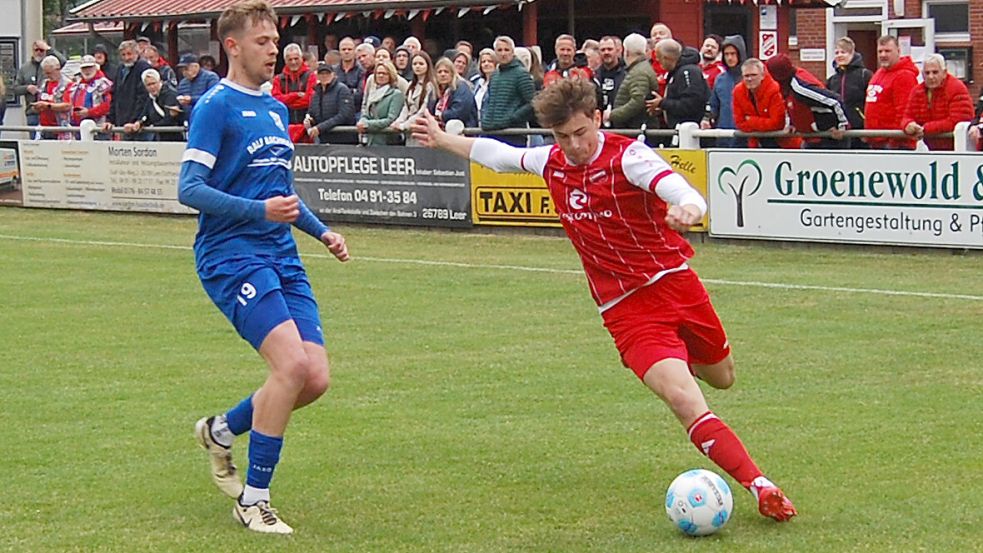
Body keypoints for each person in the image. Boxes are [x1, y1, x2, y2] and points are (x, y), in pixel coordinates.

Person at [411, 76, 797, 524]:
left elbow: (680, 190)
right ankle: (761, 486)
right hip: (625, 309)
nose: (573, 145)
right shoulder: (551, 162)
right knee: (683, 399)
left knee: (722, 377)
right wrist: (443, 139)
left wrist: (690, 209)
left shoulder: (629, 157)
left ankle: (675, 359)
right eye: (562, 137)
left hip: (676, 285)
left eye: (581, 132)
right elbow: (498, 156)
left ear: (597, 119)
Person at [179, 0, 349, 535]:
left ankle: (221, 430)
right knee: (291, 367)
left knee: (314, 379)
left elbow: (282, 195)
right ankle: (253, 500)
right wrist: (258, 212)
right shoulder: (215, 106)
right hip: (231, 255)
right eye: (263, 41)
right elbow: (189, 189)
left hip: (281, 254)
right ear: (232, 46)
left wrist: (322, 232)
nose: (274, 49)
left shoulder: (275, 109)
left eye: (276, 40)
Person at [765, 54, 848, 149]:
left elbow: (835, 100)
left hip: (828, 138)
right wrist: (793, 124)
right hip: (813, 138)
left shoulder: (800, 87)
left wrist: (842, 126)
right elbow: (794, 105)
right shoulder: (788, 85)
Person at [900, 53, 974, 151]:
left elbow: (959, 120)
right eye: (927, 73)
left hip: (957, 148)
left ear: (944, 73)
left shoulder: (957, 88)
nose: (931, 77)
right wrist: (909, 125)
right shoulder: (917, 92)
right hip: (933, 148)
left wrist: (926, 129)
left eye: (935, 72)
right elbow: (907, 116)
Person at [863, 35, 919, 150]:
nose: (883, 55)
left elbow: (905, 112)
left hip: (894, 144)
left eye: (887, 51)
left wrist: (894, 141)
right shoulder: (879, 73)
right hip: (877, 141)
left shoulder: (904, 76)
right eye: (880, 51)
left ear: (898, 51)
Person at [732, 58, 800, 149]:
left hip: (783, 144)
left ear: (762, 75)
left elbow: (777, 124)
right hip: (755, 144)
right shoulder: (738, 91)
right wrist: (764, 122)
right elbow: (739, 123)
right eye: (746, 76)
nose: (750, 79)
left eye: (753, 75)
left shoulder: (774, 89)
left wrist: (750, 120)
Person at [480, 35, 535, 146]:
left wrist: (513, 118)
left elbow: (532, 103)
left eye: (506, 50)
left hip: (513, 134)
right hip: (491, 131)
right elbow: (489, 101)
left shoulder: (521, 74)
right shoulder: (494, 75)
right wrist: (486, 118)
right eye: (499, 50)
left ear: (512, 52)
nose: (503, 53)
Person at [607, 33, 660, 144]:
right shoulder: (640, 69)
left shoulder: (639, 72)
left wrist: (613, 115)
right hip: (638, 128)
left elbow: (638, 101)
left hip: (637, 130)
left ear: (626, 52)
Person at [648, 39, 709, 135]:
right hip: (679, 131)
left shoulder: (688, 72)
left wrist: (662, 103)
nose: (658, 62)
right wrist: (663, 109)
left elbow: (691, 105)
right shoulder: (675, 72)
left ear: (666, 58)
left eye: (659, 59)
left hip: (690, 133)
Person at [825, 37, 872, 149]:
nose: (839, 55)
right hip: (839, 134)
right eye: (837, 53)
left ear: (852, 54)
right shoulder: (832, 80)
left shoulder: (865, 75)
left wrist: (867, 127)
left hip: (860, 133)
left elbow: (871, 104)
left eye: (843, 52)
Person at [103, 40, 153, 141]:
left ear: (137, 53)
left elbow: (144, 97)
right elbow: (115, 96)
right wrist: (110, 120)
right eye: (123, 55)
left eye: (129, 54)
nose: (126, 58)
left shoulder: (143, 67)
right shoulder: (120, 69)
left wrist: (136, 120)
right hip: (123, 123)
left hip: (139, 125)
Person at [12, 39, 67, 126]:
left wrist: (48, 48)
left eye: (41, 50)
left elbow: (63, 61)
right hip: (32, 112)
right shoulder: (25, 68)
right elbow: (15, 89)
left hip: (50, 111)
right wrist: (27, 88)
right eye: (36, 50)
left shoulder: (50, 65)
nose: (38, 52)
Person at [705, 35, 747, 147]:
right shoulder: (720, 79)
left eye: (733, 54)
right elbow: (714, 105)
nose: (729, 58)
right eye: (726, 54)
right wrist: (707, 118)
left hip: (745, 136)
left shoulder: (749, 78)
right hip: (723, 135)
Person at [271, 43, 317, 143]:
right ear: (285, 61)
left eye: (296, 59)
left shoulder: (311, 76)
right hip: (284, 128)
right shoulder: (278, 79)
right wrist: (295, 95)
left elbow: (310, 100)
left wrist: (286, 101)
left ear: (301, 58)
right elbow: (275, 101)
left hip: (307, 129)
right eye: (290, 59)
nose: (293, 62)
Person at [304, 62, 356, 144]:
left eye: (327, 73)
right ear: (317, 76)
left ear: (333, 75)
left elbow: (344, 115)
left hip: (344, 139)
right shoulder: (316, 93)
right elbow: (312, 112)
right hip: (324, 139)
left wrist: (321, 127)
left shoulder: (342, 90)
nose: (324, 76)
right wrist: (310, 120)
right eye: (321, 74)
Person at [357, 61, 405, 146]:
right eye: (378, 73)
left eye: (384, 73)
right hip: (370, 140)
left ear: (391, 75)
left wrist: (368, 124)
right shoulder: (373, 93)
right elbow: (367, 114)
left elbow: (391, 119)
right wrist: (362, 121)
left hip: (386, 142)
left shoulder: (396, 94)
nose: (381, 76)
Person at [132, 68, 184, 141]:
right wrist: (139, 123)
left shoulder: (170, 95)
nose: (152, 87)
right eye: (148, 85)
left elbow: (169, 119)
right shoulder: (150, 99)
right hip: (160, 137)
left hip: (175, 137)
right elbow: (145, 115)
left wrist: (153, 126)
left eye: (154, 83)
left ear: (160, 82)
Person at [65, 55, 113, 132]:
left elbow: (108, 105)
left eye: (90, 67)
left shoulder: (104, 84)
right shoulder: (75, 85)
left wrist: (89, 112)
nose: (87, 71)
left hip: (98, 128)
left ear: (96, 67)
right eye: (84, 68)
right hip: (77, 129)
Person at [30, 56, 73, 139]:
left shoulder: (67, 84)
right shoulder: (44, 84)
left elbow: (68, 105)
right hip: (43, 128)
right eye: (45, 73)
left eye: (49, 73)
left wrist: (48, 106)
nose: (47, 76)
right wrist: (37, 107)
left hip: (61, 129)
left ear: (57, 69)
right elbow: (40, 99)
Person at [430, 57, 478, 129]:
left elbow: (459, 112)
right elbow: (430, 110)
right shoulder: (435, 91)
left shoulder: (461, 88)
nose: (443, 74)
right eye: (439, 72)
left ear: (452, 74)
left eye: (446, 71)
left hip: (461, 130)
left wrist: (440, 116)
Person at [594, 35, 627, 126]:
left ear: (617, 50)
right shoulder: (595, 75)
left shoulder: (627, 73)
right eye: (603, 50)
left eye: (610, 49)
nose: (606, 52)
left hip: (622, 124)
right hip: (600, 124)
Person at [470, 48, 496, 115]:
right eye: (483, 62)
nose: (486, 64)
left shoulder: (499, 82)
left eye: (490, 61)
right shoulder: (476, 82)